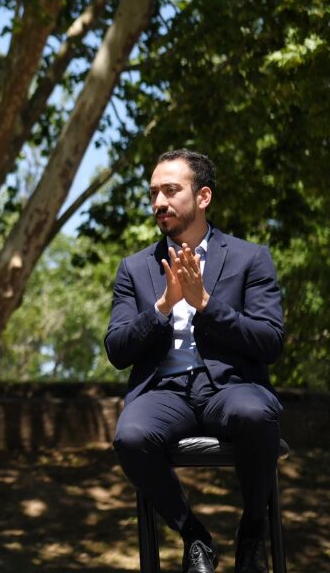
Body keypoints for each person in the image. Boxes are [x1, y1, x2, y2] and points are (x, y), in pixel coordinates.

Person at [106, 150, 284, 573]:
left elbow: (270, 341)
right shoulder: (134, 268)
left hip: (230, 387)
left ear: (203, 196)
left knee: (258, 414)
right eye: (153, 193)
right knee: (130, 436)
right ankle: (194, 536)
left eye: (171, 191)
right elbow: (117, 349)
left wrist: (204, 303)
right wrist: (162, 307)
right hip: (165, 392)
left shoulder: (250, 258)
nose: (158, 203)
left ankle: (252, 531)